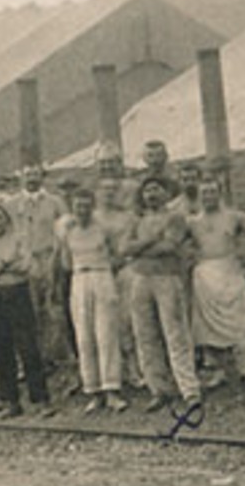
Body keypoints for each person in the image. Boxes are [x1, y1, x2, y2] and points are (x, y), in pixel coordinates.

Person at [121, 176, 201, 411]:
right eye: (147, 191)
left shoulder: (175, 217)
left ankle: (189, 389)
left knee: (175, 333)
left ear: (166, 193)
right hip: (140, 279)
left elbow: (170, 246)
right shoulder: (137, 220)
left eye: (156, 190)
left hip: (167, 278)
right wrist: (152, 239)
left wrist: (140, 248)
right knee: (145, 335)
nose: (151, 195)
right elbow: (124, 248)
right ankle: (159, 389)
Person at [0, 202, 54, 417]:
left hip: (18, 294)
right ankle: (11, 401)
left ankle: (41, 400)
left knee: (28, 347)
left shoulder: (20, 239)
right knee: (1, 350)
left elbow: (25, 266)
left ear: (7, 220)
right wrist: (3, 265)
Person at [58, 187, 128, 413]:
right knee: (84, 337)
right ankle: (93, 391)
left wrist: (103, 270)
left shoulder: (103, 230)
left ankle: (112, 390)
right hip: (79, 279)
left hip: (102, 276)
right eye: (79, 206)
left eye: (87, 206)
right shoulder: (68, 232)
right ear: (73, 208)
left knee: (106, 334)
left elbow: (119, 255)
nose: (83, 210)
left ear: (93, 206)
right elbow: (65, 263)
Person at [187, 184, 245, 389]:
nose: (208, 196)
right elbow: (178, 242)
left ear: (219, 194)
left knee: (240, 321)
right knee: (207, 327)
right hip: (204, 273)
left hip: (230, 270)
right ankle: (217, 371)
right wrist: (190, 257)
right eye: (204, 192)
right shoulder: (192, 222)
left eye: (212, 192)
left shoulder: (234, 216)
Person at [9, 163, 71, 369]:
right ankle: (34, 360)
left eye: (36, 174)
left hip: (50, 258)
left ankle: (56, 356)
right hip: (26, 262)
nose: (32, 179)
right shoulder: (12, 204)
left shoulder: (55, 202)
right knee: (29, 310)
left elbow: (65, 232)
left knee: (54, 307)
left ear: (42, 176)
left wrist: (57, 259)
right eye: (28, 174)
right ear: (21, 178)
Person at [95, 175, 146, 390]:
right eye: (104, 189)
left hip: (126, 270)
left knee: (131, 319)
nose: (109, 194)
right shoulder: (92, 218)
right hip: (102, 273)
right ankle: (113, 373)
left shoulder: (129, 218)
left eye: (113, 190)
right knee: (109, 324)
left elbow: (138, 243)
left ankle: (138, 369)